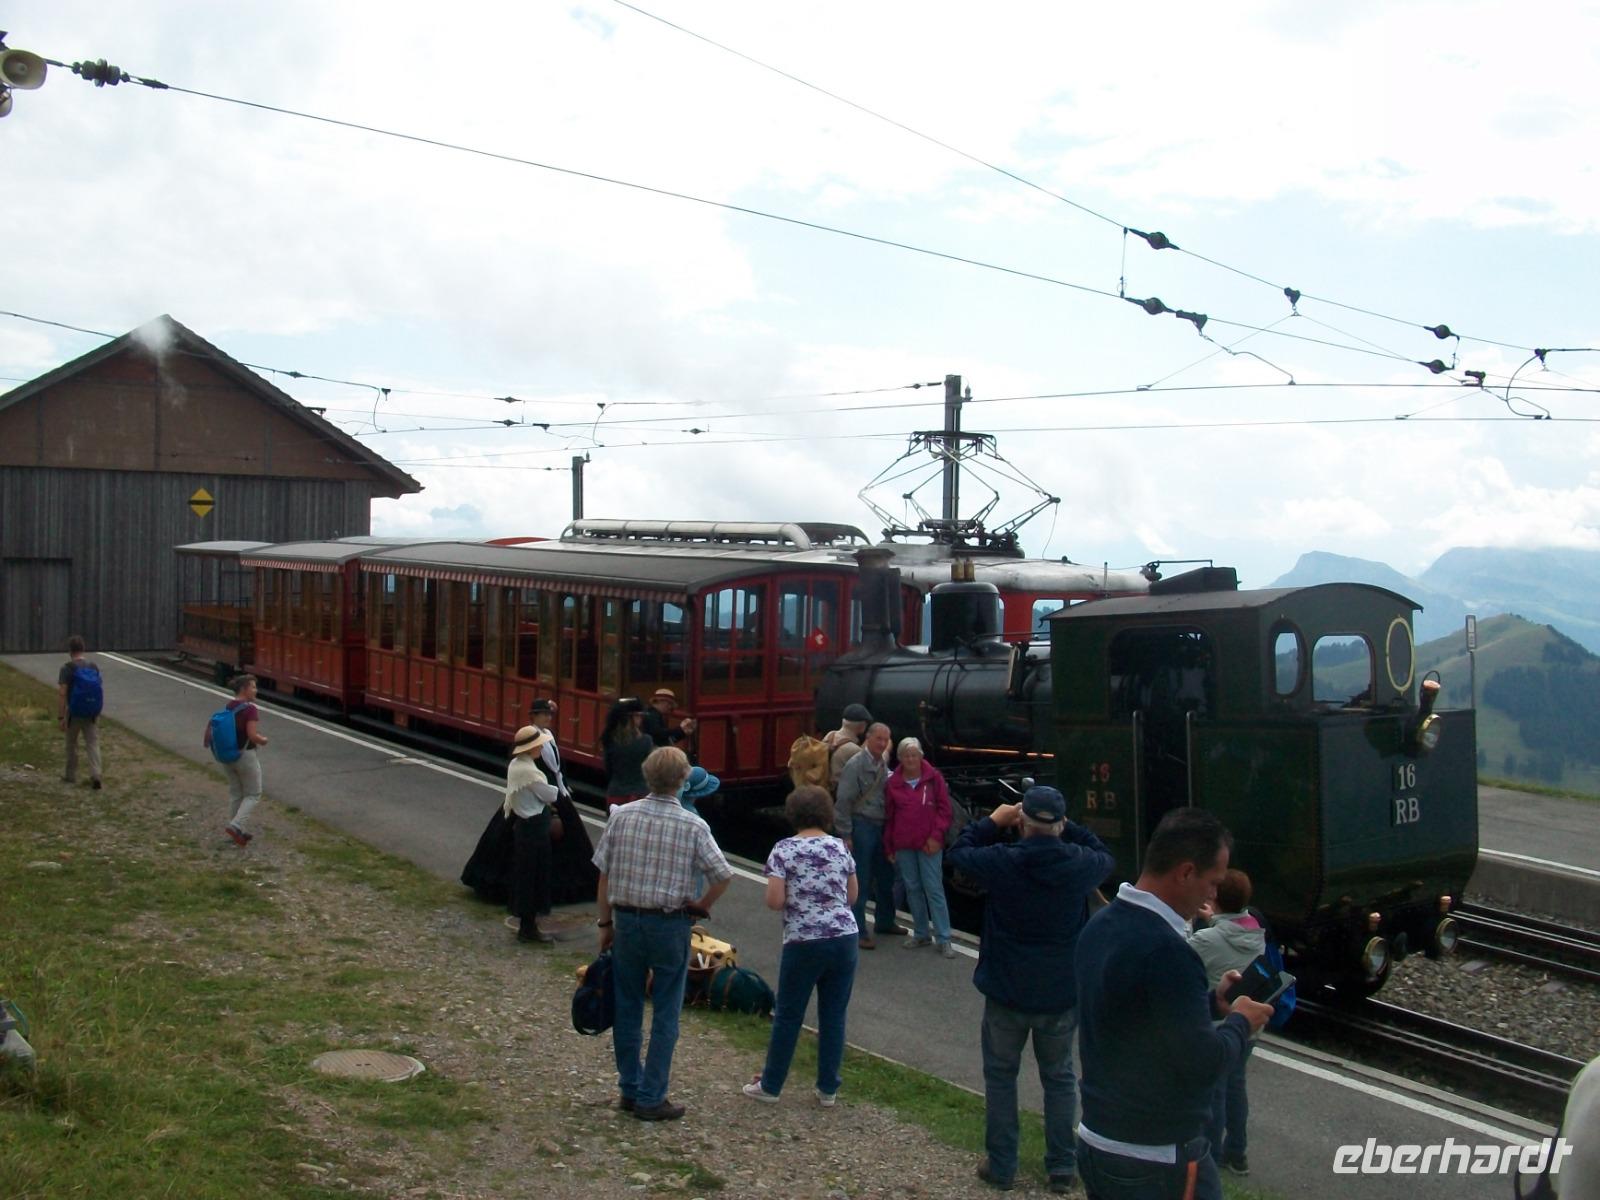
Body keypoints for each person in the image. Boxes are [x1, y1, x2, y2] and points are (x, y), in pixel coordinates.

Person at [1074, 809, 1274, 1200]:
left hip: (1098, 1139)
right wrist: (1239, 1022)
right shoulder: (1169, 951)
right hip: (1157, 1156)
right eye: (1212, 882)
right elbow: (1203, 1064)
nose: (1213, 896)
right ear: (1184, 872)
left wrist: (1212, 1004)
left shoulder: (1102, 924)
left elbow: (1134, 1015)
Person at [948, 786, 1115, 1195]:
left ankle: (1002, 1166)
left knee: (1002, 1077)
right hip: (1059, 992)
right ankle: (1061, 1167)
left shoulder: (1002, 861)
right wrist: (1065, 825)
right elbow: (1104, 853)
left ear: (1022, 823)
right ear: (1058, 824)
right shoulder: (1080, 865)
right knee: (1059, 1078)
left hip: (1006, 988)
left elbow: (959, 851)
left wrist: (993, 821)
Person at [592, 746, 734, 1121]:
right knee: (667, 1010)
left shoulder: (621, 817)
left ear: (646, 776)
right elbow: (723, 875)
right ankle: (652, 1096)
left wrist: (604, 924)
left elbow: (603, 874)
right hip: (670, 924)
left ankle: (629, 1087)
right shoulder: (693, 825)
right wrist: (701, 905)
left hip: (626, 920)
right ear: (684, 779)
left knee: (628, 1005)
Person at [742, 784, 859, 1106]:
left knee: (789, 1014)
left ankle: (771, 1084)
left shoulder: (783, 850)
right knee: (833, 1015)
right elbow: (852, 897)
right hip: (844, 937)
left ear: (792, 814)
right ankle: (828, 1088)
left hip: (804, 940)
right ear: (826, 814)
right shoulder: (839, 847)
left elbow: (775, 901)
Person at [1187, 869, 1265, 1176]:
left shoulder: (1205, 939)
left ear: (1215, 896)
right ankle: (1238, 1152)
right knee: (1237, 1085)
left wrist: (1200, 925)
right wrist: (1214, 920)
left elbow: (1189, 958)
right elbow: (1229, 936)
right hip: (1248, 1025)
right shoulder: (1256, 933)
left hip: (1218, 1026)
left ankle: (1213, 1153)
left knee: (1215, 1091)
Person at [882, 737, 955, 958]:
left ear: (921, 756)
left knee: (933, 889)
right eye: (907, 755)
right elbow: (890, 817)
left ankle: (943, 937)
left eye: (914, 755)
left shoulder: (934, 779)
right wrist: (889, 846)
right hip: (904, 843)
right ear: (901, 758)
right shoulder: (893, 783)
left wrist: (936, 836)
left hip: (929, 844)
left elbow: (945, 811)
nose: (911, 759)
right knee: (912, 888)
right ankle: (921, 932)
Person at [834, 721, 902, 948]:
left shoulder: (882, 762)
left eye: (885, 740)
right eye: (878, 739)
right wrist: (845, 834)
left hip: (881, 825)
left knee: (886, 875)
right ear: (868, 739)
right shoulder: (855, 765)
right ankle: (858, 929)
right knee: (860, 878)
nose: (882, 744)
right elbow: (843, 800)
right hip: (862, 825)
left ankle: (885, 920)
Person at [528, 697, 600, 904]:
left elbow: (557, 767)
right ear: (534, 716)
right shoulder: (531, 737)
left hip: (557, 792)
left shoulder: (548, 735)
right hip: (542, 795)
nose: (548, 718)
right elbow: (534, 770)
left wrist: (563, 785)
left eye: (549, 714)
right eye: (544, 714)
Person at [504, 724, 559, 944]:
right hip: (533, 827)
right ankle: (528, 928)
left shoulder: (517, 765)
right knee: (533, 876)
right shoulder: (529, 771)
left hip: (525, 826)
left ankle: (528, 925)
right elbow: (549, 795)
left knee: (527, 875)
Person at [210, 674, 269, 847]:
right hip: (245, 755)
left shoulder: (230, 706)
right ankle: (236, 825)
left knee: (236, 793)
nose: (255, 690)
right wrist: (262, 740)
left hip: (228, 754)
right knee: (253, 794)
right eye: (253, 687)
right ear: (244, 689)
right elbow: (251, 735)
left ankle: (236, 831)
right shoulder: (250, 709)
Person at [57, 634, 103, 790]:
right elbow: (99, 687)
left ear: (70, 651)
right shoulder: (93, 667)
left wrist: (61, 716)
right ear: (83, 649)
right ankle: (96, 774)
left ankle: (70, 775)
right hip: (91, 713)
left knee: (71, 744)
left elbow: (63, 693)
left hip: (74, 713)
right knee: (92, 743)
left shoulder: (67, 668)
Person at [601, 697, 653, 806]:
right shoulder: (646, 741)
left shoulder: (610, 740)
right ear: (631, 717)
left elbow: (608, 769)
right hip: (640, 794)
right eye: (638, 716)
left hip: (616, 793)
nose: (641, 719)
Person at [822, 702, 872, 786]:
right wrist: (886, 751)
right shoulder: (854, 750)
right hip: (838, 795)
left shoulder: (829, 737)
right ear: (862, 726)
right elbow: (870, 775)